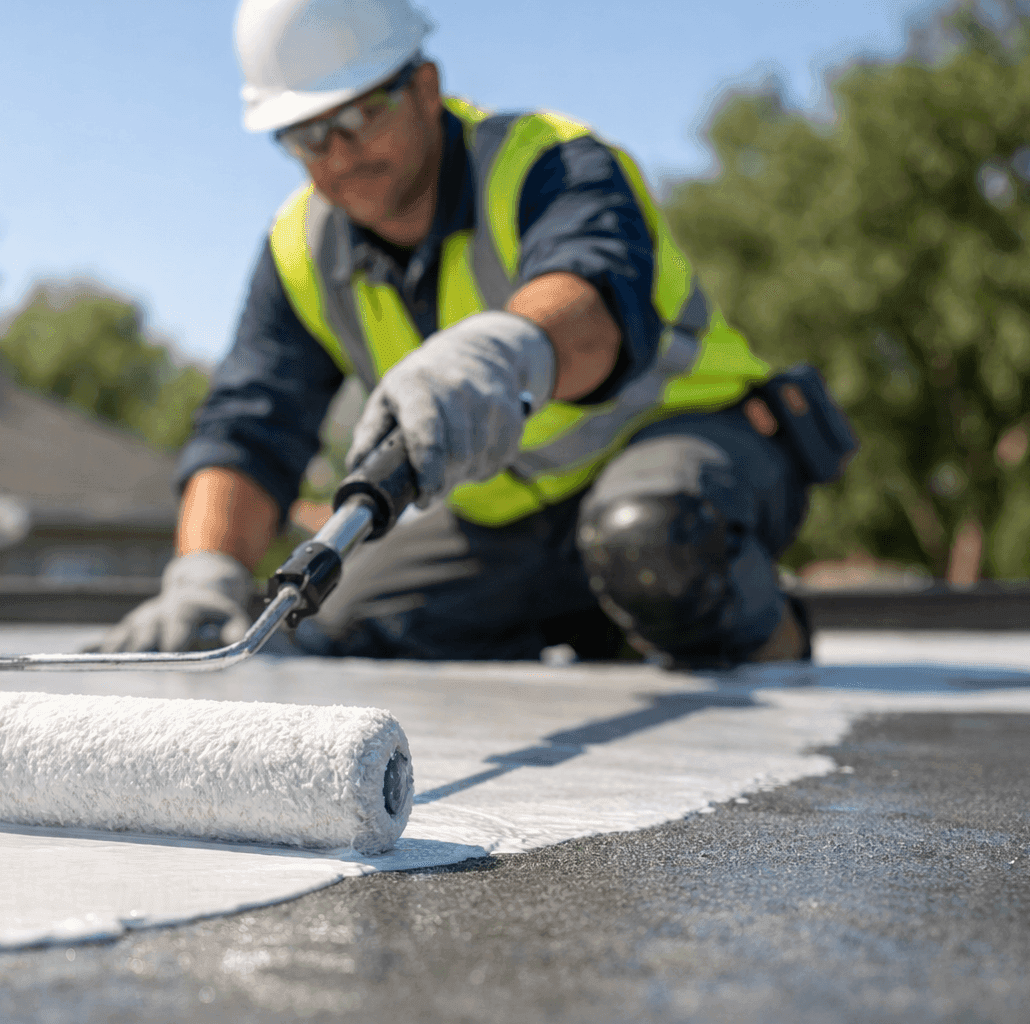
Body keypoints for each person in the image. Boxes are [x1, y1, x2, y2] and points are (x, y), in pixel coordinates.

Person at [97, 0, 855, 667]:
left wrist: (503, 352)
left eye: (358, 116)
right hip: (510, 521)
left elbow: (592, 311)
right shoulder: (300, 250)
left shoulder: (550, 164)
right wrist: (203, 574)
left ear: (425, 88)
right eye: (306, 136)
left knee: (649, 541)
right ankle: (610, 625)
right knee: (337, 625)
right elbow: (250, 426)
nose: (339, 154)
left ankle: (761, 632)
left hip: (699, 456)